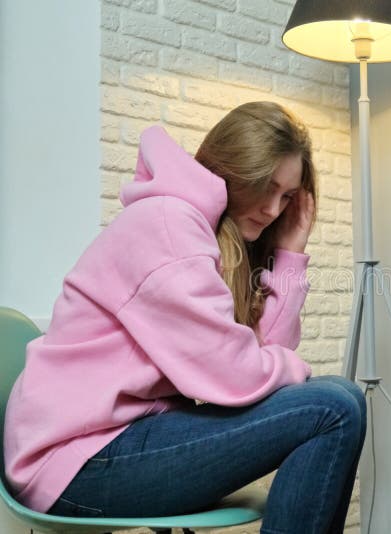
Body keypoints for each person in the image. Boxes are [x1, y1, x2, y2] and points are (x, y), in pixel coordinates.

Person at [3, 101, 366, 534]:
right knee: (335, 405)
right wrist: (296, 371)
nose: (273, 209)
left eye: (286, 197)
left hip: (118, 440)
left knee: (338, 400)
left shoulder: (203, 231)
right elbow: (239, 376)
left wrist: (290, 255)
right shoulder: (169, 226)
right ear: (235, 167)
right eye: (265, 187)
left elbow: (260, 363)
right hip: (74, 460)